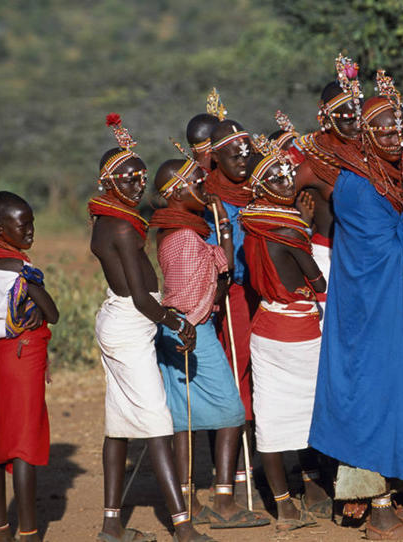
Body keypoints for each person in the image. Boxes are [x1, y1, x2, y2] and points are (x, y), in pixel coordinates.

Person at [309, 71, 403, 541]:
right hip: (370, 316)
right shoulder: (357, 186)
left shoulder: (385, 176)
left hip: (394, 310)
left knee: (398, 390)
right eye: (382, 128)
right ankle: (377, 506)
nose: (393, 135)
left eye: (397, 127)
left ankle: (396, 493)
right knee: (374, 395)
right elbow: (387, 251)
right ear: (365, 135)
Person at [88, 113, 212, 542]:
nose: (137, 182)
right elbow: (142, 298)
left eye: (139, 175)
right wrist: (178, 321)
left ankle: (110, 526)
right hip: (130, 321)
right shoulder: (121, 226)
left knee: (118, 423)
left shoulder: (110, 220)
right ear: (107, 183)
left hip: (123, 321)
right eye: (126, 177)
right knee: (158, 423)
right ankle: (182, 526)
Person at [150, 152, 269, 530]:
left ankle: (189, 497)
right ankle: (223, 500)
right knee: (232, 412)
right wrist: (220, 273)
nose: (204, 187)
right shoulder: (185, 237)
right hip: (191, 331)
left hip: (181, 330)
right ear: (175, 192)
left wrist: (225, 235)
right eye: (196, 183)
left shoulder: (185, 228)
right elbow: (191, 300)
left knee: (186, 418)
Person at [239, 142, 331, 531]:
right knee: (313, 413)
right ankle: (314, 491)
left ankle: (285, 510)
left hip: (265, 328)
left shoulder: (250, 227)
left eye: (287, 174)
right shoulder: (287, 231)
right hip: (299, 333)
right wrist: (306, 231)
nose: (286, 181)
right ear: (260, 187)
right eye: (276, 178)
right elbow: (318, 279)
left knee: (273, 421)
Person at [0, 191, 59, 542]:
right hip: (22, 358)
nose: (30, 230)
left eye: (32, 222)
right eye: (22, 224)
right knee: (24, 446)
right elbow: (52, 313)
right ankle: (28, 533)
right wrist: (37, 305)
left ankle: (0, 531)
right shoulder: (21, 269)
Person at [203, 118, 260, 504]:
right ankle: (234, 476)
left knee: (260, 378)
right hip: (231, 295)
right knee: (235, 379)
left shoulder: (260, 187)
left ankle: (257, 465)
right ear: (215, 158)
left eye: (246, 151)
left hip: (264, 293)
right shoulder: (208, 198)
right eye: (232, 153)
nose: (241, 159)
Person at [293, 54, 364, 320]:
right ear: (326, 118)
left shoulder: (371, 156)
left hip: (366, 253)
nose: (356, 127)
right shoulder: (308, 159)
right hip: (325, 255)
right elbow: (276, 200)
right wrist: (301, 223)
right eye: (347, 119)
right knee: (327, 329)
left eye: (359, 119)